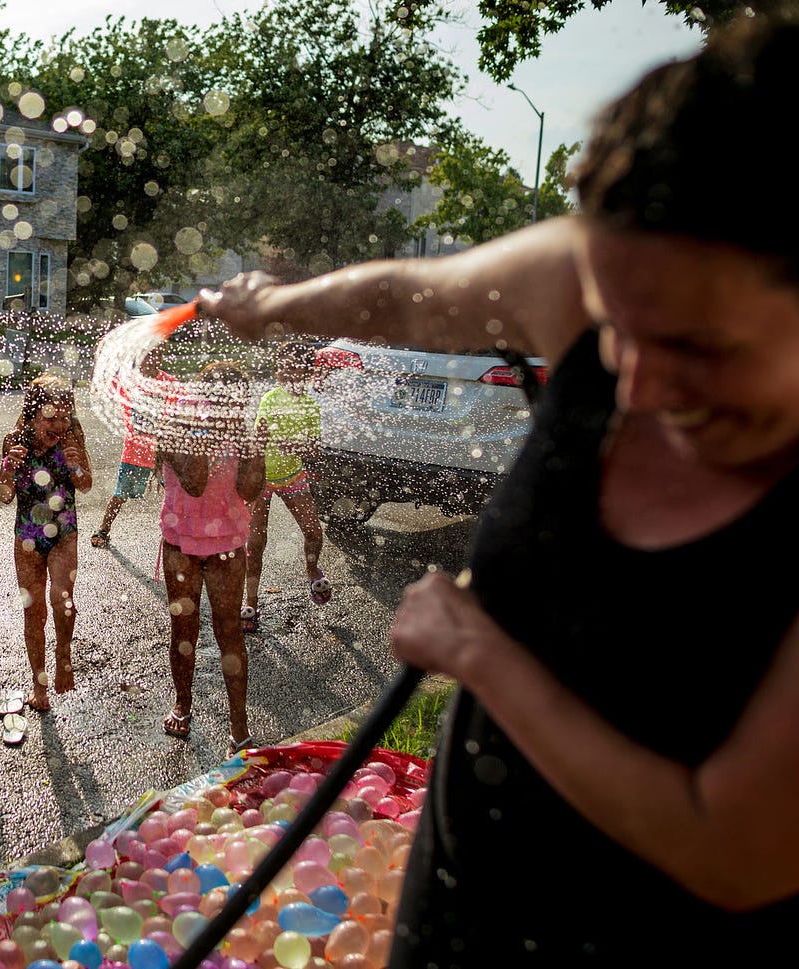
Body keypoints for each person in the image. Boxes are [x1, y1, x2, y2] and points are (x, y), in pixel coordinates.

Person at [201, 11, 799, 963]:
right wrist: (270, 307)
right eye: (612, 327)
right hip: (463, 908)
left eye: (698, 347)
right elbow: (409, 296)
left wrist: (482, 655)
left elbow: (736, 846)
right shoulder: (621, 263)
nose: (633, 386)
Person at [157, 361, 265, 757]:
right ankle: (183, 706)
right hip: (181, 544)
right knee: (184, 630)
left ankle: (239, 726)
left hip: (228, 545)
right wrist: (205, 435)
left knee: (229, 631)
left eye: (236, 404)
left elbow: (251, 491)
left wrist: (257, 449)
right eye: (220, 401)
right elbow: (195, 483)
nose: (229, 411)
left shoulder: (241, 434)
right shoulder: (174, 429)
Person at [0, 373, 94, 712]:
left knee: (60, 599)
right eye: (51, 418)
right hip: (27, 537)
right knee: (33, 611)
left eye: (65, 417)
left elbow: (86, 485)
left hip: (65, 532)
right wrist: (8, 469)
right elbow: (4, 495)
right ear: (33, 414)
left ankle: (63, 653)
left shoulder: (72, 437)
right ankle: (39, 684)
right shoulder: (13, 441)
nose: (59, 425)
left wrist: (76, 466)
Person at [240, 340, 329, 633]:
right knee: (255, 543)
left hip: (293, 476)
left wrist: (300, 447)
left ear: (305, 371)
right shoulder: (270, 398)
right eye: (282, 366)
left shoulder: (310, 405)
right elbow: (258, 440)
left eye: (292, 366)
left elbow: (315, 450)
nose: (286, 371)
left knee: (314, 531)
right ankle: (251, 601)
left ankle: (311, 569)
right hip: (262, 478)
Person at [89, 344, 172, 550]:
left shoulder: (169, 383)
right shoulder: (128, 381)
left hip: (162, 452)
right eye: (148, 354)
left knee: (176, 494)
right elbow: (101, 381)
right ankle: (103, 530)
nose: (153, 359)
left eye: (158, 354)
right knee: (120, 494)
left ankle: (182, 532)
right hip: (135, 453)